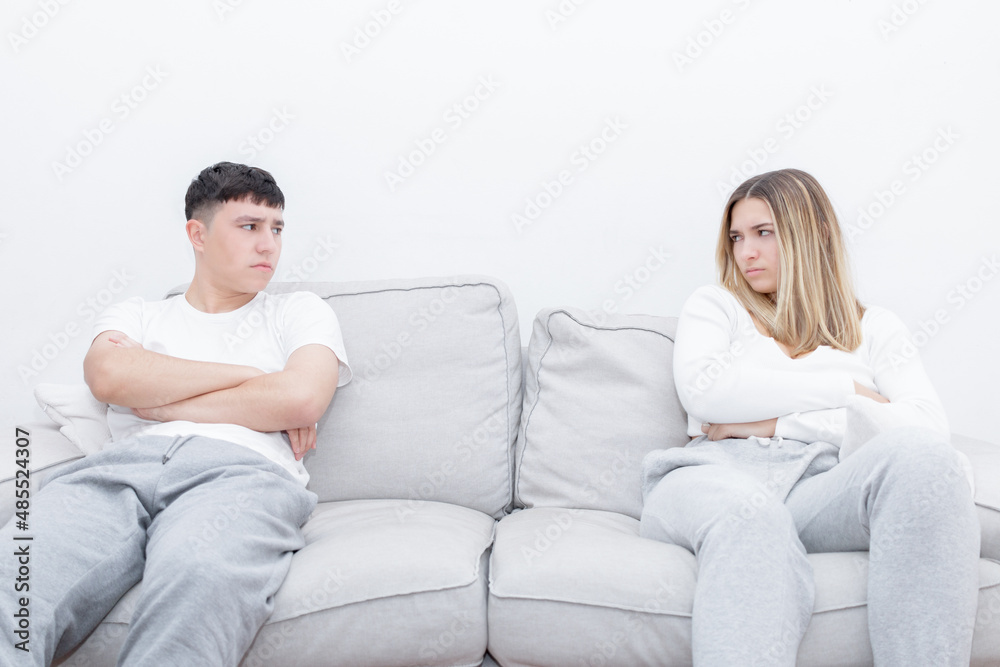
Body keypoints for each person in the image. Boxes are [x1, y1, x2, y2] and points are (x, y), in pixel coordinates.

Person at [0, 162, 352, 665]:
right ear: (198, 233)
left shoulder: (298, 311)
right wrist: (253, 376)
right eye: (249, 226)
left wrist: (158, 398)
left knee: (197, 578)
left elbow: (300, 399)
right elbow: (106, 378)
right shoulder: (138, 315)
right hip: (118, 470)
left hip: (239, 476)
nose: (269, 244)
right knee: (16, 571)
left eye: (277, 229)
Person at [639, 168, 979, 666]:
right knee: (753, 515)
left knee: (924, 459)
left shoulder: (875, 328)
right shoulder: (717, 307)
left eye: (763, 233)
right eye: (736, 237)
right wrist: (849, 392)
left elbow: (926, 429)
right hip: (713, 475)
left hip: (819, 487)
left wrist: (774, 423)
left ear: (811, 234)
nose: (745, 253)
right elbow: (709, 395)